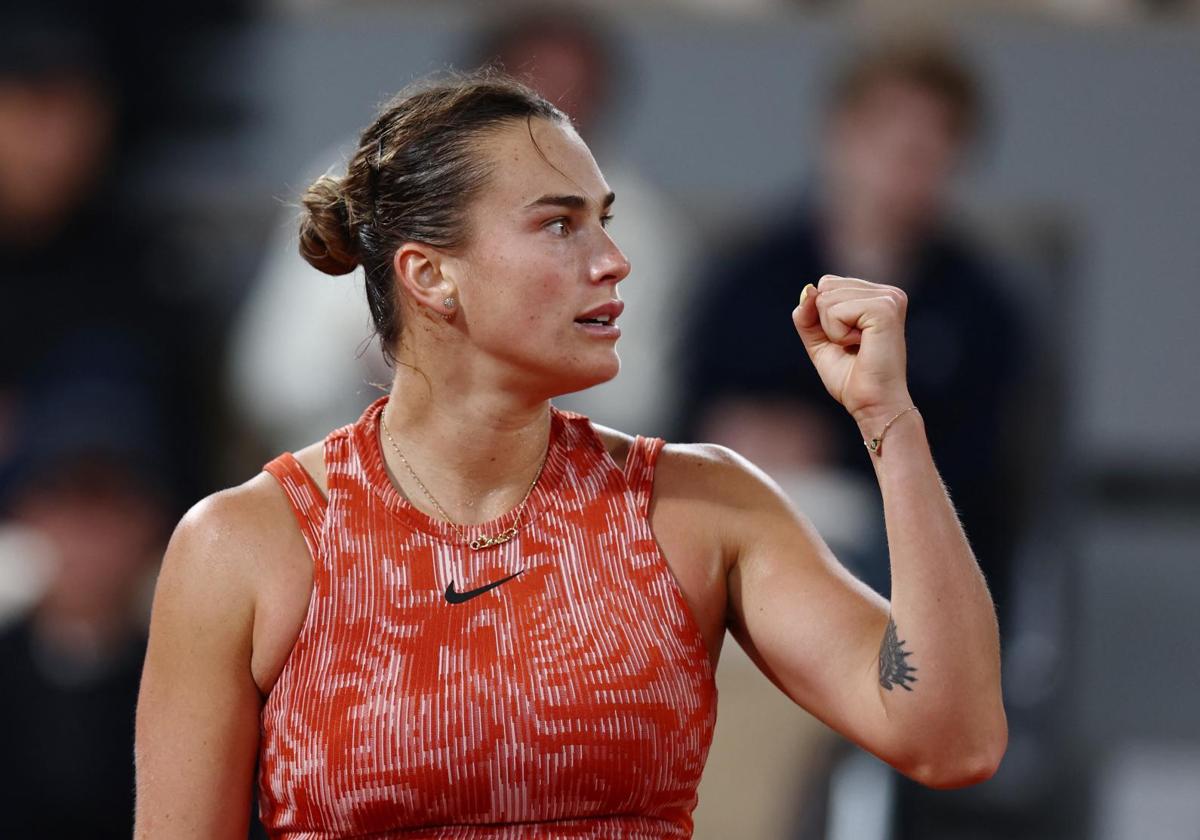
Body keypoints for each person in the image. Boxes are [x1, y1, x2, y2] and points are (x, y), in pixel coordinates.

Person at [134, 73, 1006, 838]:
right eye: (560, 226)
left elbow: (952, 735)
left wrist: (892, 423)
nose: (615, 262)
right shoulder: (243, 545)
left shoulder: (702, 507)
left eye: (606, 222)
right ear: (430, 274)